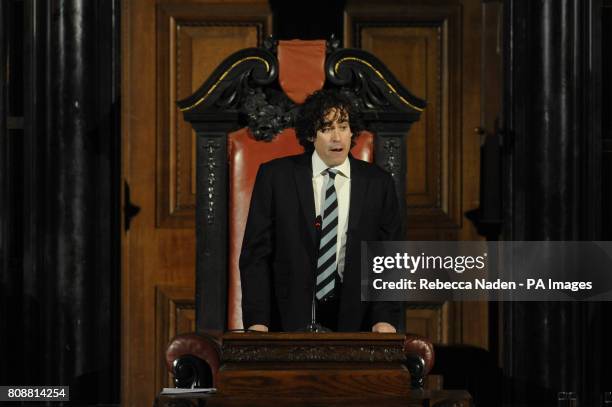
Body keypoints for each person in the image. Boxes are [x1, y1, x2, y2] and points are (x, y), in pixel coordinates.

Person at [239, 89, 401, 333]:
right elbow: (256, 257)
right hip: (286, 321)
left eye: (343, 127)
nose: (337, 137)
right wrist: (258, 322)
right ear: (311, 134)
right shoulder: (275, 177)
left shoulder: (378, 183)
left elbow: (390, 258)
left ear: (352, 131)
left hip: (358, 322)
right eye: (326, 128)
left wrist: (384, 319)